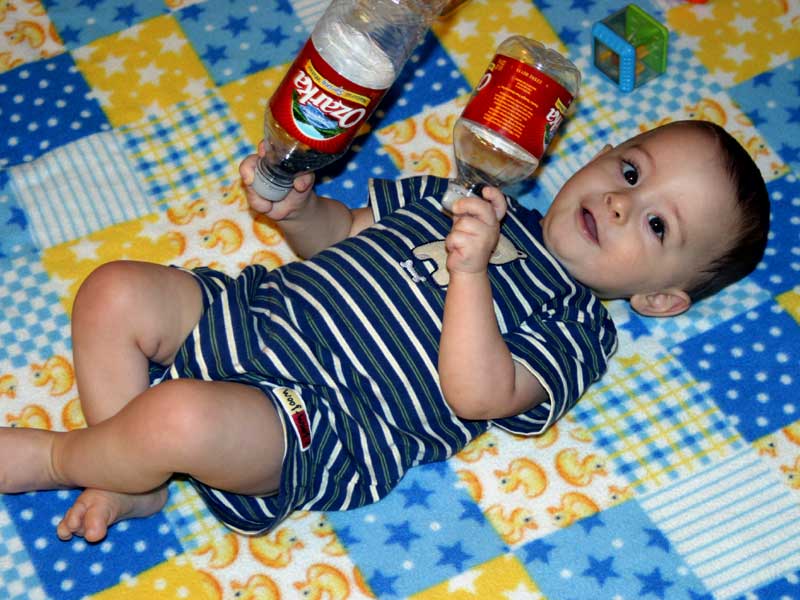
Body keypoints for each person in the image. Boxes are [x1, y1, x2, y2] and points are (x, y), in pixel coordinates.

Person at [0, 119, 769, 542]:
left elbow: (478, 393)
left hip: (319, 418)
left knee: (181, 417)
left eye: (659, 224)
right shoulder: (465, 192)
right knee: (112, 292)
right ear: (598, 153)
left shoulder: (576, 332)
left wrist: (469, 276)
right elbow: (346, 232)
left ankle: (63, 456)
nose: (624, 204)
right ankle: (126, 474)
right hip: (261, 314)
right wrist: (300, 213)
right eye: (630, 172)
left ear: (661, 300)